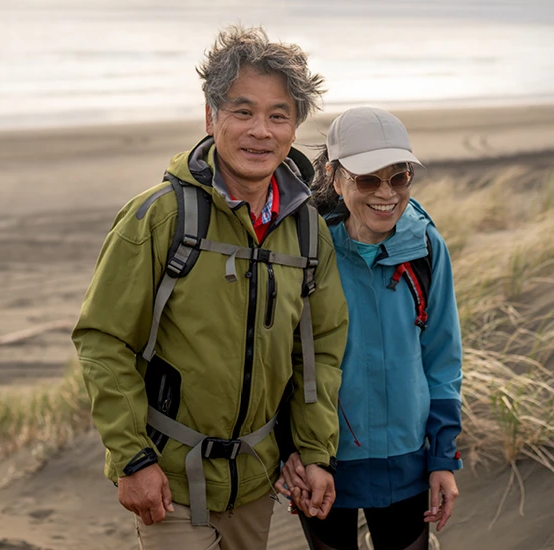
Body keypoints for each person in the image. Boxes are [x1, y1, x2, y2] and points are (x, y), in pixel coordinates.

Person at [72, 26, 350, 550]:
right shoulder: (159, 217)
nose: (260, 132)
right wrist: (132, 458)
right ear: (210, 116)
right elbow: (103, 340)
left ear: (294, 126)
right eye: (242, 112)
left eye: (278, 115)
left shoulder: (308, 232)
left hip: (256, 481)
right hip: (169, 481)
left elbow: (319, 353)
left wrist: (313, 452)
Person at [276, 107, 464, 550]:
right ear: (334, 176)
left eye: (399, 178)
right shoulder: (303, 248)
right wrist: (289, 449)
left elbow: (442, 358)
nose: (386, 194)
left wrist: (443, 457)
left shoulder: (425, 247)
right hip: (323, 460)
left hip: (409, 461)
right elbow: (278, 359)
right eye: (367, 179)